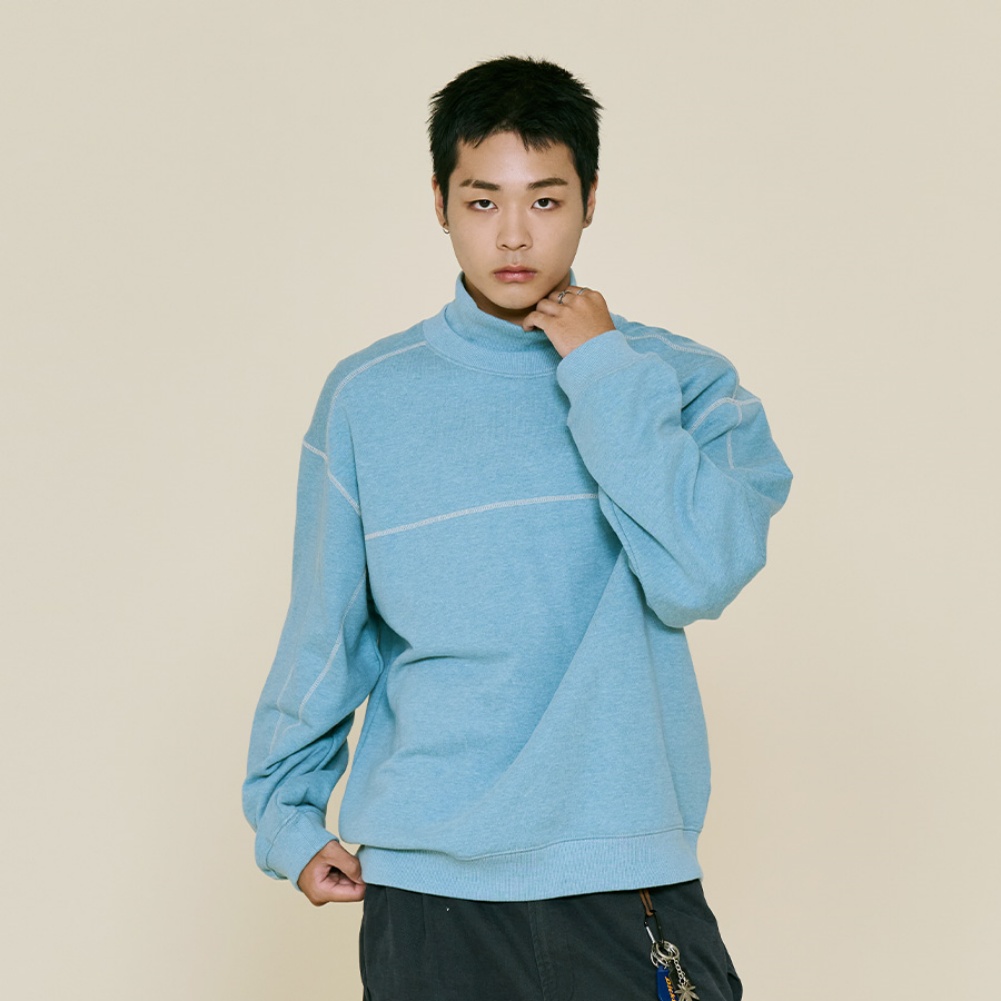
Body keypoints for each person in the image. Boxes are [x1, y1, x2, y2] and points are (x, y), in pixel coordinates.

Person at [243, 55, 792, 1001]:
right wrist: (287, 815)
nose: (511, 234)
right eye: (481, 201)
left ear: (589, 200)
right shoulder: (370, 397)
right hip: (428, 886)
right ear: (439, 203)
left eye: (543, 200)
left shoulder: (678, 381)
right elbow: (327, 629)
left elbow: (699, 573)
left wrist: (601, 369)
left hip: (619, 868)